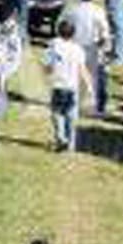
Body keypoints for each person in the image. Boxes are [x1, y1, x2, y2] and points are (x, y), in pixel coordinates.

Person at [41, 19, 91, 152]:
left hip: (58, 85)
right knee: (71, 115)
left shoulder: (53, 45)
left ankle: (61, 137)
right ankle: (71, 144)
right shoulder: (78, 49)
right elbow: (82, 69)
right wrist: (89, 86)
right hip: (72, 87)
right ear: (73, 34)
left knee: (57, 113)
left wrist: (48, 72)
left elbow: (47, 66)